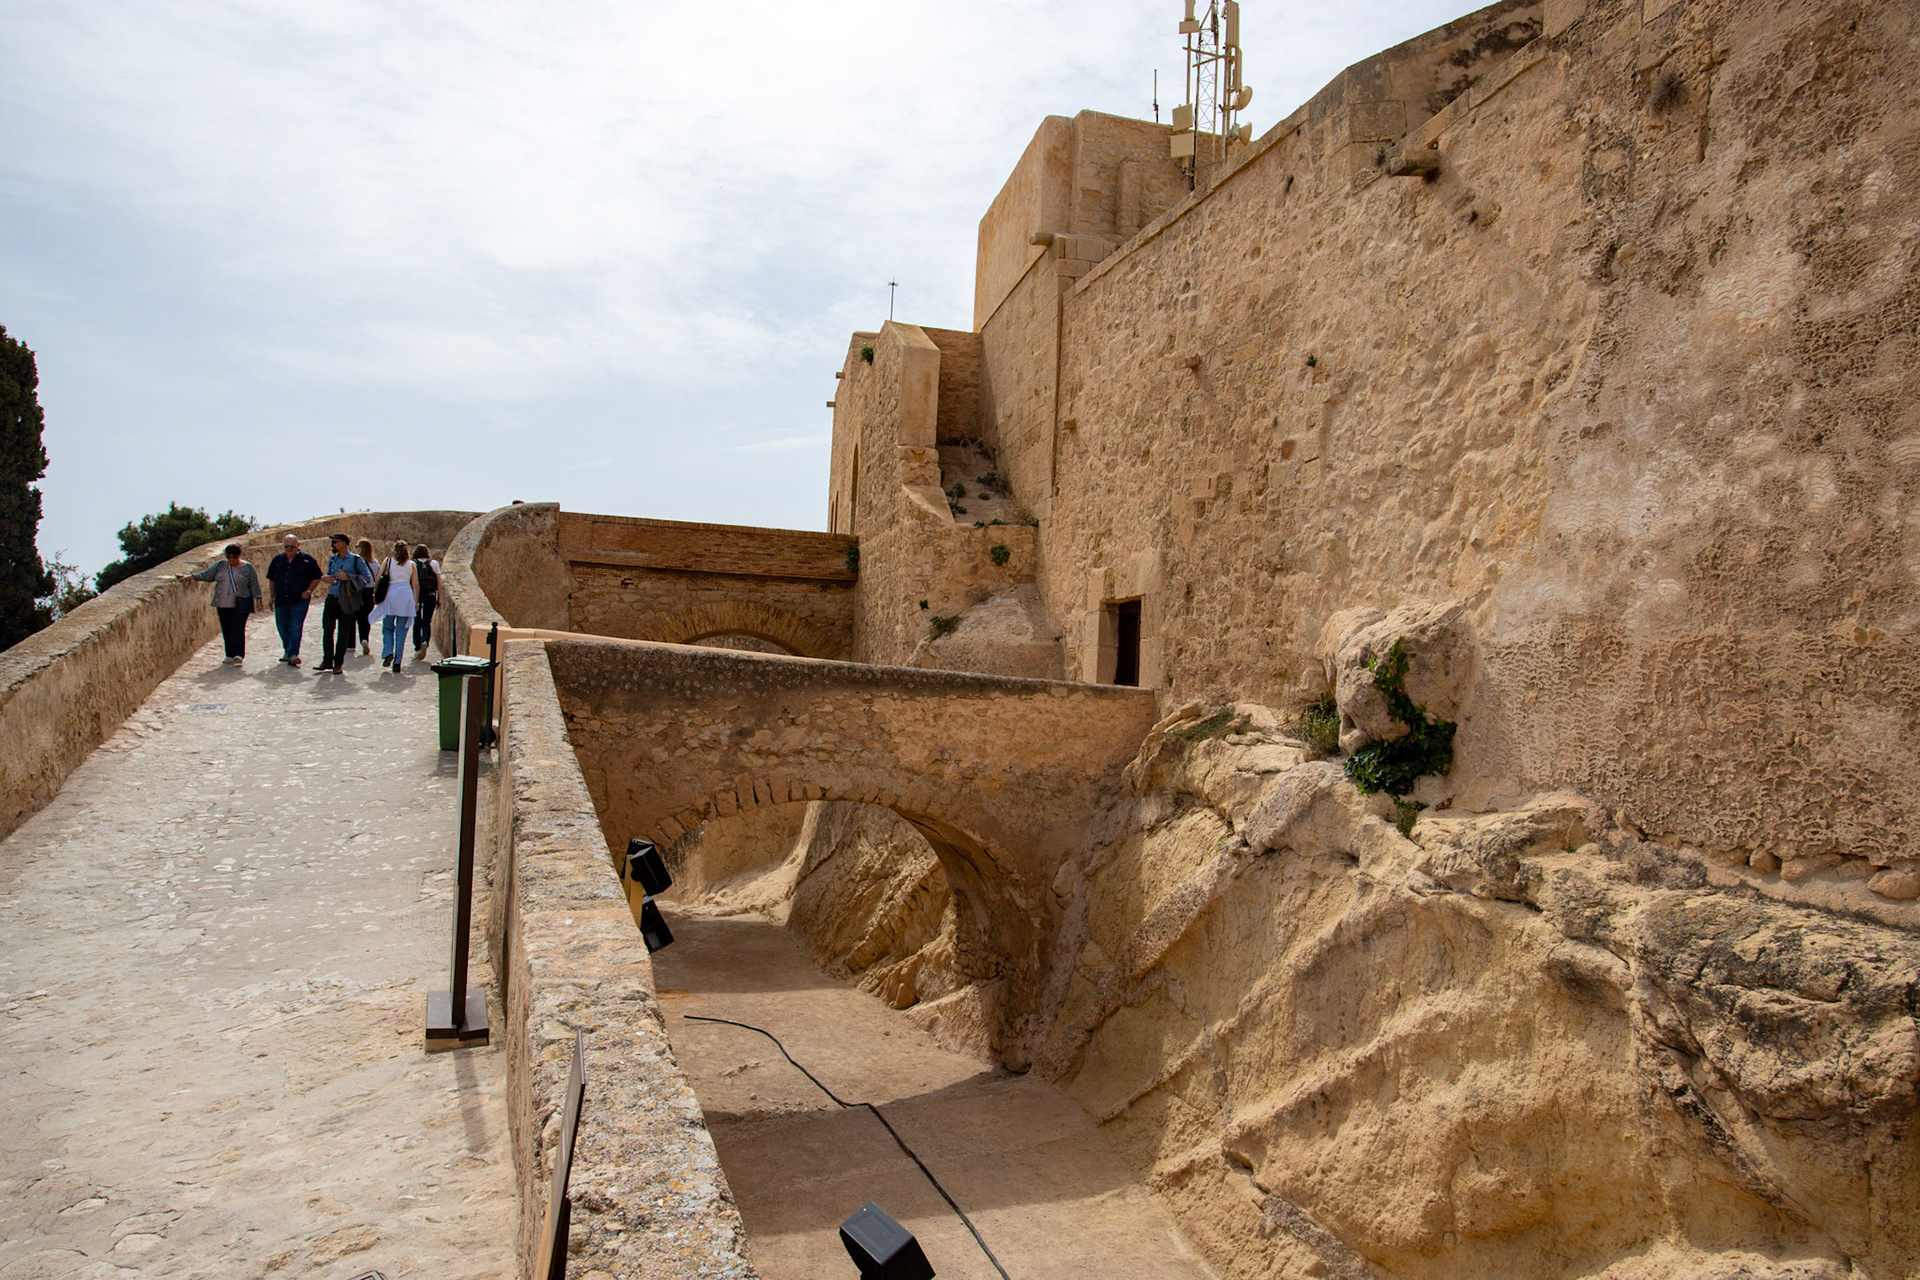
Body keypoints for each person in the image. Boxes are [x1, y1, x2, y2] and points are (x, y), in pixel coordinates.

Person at [176, 544, 263, 666]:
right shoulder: (221, 565)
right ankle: (229, 654)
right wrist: (191, 577)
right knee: (226, 628)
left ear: (239, 555)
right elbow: (207, 575)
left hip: (241, 602)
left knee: (237, 628)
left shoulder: (248, 568)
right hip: (222, 602)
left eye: (234, 557)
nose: (231, 559)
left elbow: (254, 583)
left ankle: (238, 655)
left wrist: (258, 598)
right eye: (229, 557)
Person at [316, 534, 373, 675]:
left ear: (344, 543)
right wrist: (325, 578)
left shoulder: (355, 560)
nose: (333, 544)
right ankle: (327, 660)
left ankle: (338, 663)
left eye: (335, 541)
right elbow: (330, 574)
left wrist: (347, 577)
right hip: (332, 597)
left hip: (346, 599)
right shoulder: (332, 559)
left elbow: (367, 578)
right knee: (327, 629)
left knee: (343, 632)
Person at [264, 534, 324, 667]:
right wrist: (271, 597)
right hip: (281, 599)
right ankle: (288, 649)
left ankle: (293, 654)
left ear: (298, 546)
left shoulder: (307, 560)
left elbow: (317, 577)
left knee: (295, 626)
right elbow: (272, 579)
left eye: (292, 546)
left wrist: (308, 591)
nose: (289, 549)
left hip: (299, 600)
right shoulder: (277, 560)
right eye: (287, 547)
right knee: (282, 627)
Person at [369, 541, 418, 671]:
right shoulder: (412, 565)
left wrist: (375, 594)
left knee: (387, 627)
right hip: (406, 597)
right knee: (401, 631)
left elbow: (379, 577)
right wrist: (416, 602)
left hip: (391, 596)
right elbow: (415, 585)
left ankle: (388, 651)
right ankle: (397, 662)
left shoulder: (388, 561)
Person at [411, 544, 441, 660]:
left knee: (416, 621)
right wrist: (439, 598)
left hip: (416, 596)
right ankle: (425, 641)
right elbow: (438, 582)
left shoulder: (412, 564)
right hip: (430, 595)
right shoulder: (434, 564)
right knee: (426, 622)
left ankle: (417, 647)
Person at [352, 539, 379, 655]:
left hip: (358, 591)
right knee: (365, 618)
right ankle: (364, 639)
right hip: (370, 592)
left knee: (352, 617)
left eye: (357, 546)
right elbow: (378, 579)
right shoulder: (375, 563)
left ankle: (350, 645)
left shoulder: (357, 561)